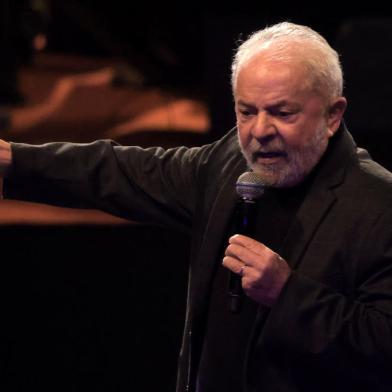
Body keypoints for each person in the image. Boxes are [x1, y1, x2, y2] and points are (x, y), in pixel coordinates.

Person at [1, 21, 392, 392]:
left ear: (332, 115)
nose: (259, 131)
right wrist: (16, 161)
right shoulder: (227, 164)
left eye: (282, 113)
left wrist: (287, 294)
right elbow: (124, 171)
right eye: (246, 111)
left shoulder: (379, 203)